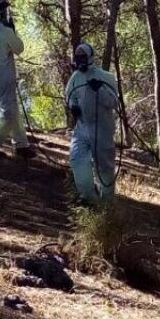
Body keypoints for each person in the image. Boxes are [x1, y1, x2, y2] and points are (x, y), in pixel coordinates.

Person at [0, 0, 35, 159]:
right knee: (7, 111)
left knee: (12, 109)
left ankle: (21, 145)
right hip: (4, 76)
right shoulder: (5, 32)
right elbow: (19, 49)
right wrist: (13, 31)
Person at [65, 42, 119, 204]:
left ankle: (107, 202)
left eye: (83, 56)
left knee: (104, 166)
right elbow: (70, 96)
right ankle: (88, 197)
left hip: (102, 129)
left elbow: (113, 102)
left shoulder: (106, 77)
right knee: (77, 159)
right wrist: (73, 106)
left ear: (90, 57)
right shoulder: (75, 78)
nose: (80, 59)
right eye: (77, 56)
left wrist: (100, 90)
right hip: (81, 128)